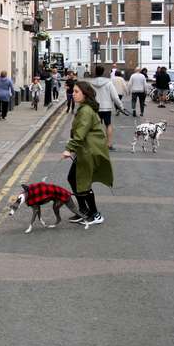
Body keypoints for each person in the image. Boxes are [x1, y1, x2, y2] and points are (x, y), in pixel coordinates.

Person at [61, 81, 114, 226]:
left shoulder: (85, 111)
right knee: (74, 179)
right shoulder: (84, 108)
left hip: (89, 151)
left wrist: (69, 149)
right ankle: (83, 210)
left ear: (85, 94)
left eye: (77, 91)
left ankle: (95, 214)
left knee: (82, 182)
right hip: (85, 150)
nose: (73, 93)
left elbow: (80, 134)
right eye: (73, 91)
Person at [89, 65, 125, 150]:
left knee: (95, 126)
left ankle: (95, 144)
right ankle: (108, 144)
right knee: (108, 125)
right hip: (106, 108)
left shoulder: (91, 83)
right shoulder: (108, 83)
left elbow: (89, 96)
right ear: (103, 72)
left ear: (95, 72)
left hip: (95, 107)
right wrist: (121, 107)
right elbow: (115, 97)